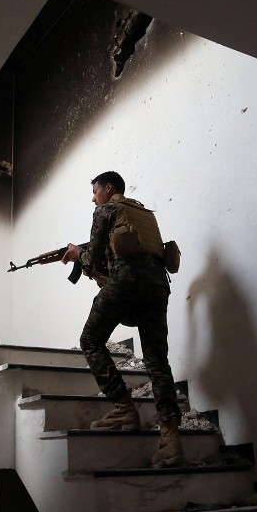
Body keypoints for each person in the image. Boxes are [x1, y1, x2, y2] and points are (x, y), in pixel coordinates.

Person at [60, 171, 184, 468]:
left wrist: (79, 254)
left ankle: (124, 409)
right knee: (156, 360)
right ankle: (170, 441)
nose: (93, 198)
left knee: (90, 340)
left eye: (95, 191)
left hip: (126, 283)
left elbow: (95, 261)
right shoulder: (143, 214)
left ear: (108, 188)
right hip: (157, 287)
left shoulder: (106, 210)